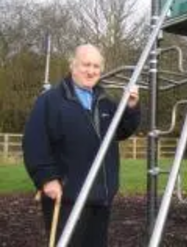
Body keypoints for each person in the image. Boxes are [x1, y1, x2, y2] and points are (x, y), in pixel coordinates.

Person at [22, 44, 141, 247]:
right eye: (86, 65)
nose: (91, 71)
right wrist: (47, 178)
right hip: (67, 195)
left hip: (100, 197)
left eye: (96, 66)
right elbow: (34, 142)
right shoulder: (50, 101)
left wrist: (130, 107)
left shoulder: (104, 100)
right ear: (73, 66)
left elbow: (121, 131)